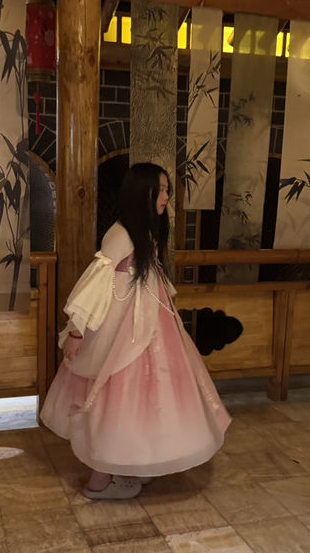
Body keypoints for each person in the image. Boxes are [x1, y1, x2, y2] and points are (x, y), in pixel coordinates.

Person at [40, 162, 232, 500]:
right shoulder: (122, 234)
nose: (166, 197)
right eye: (160, 190)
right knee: (118, 396)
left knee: (139, 397)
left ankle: (131, 465)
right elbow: (94, 285)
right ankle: (101, 481)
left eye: (166, 190)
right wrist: (76, 331)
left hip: (146, 322)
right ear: (141, 194)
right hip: (122, 329)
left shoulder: (141, 232)